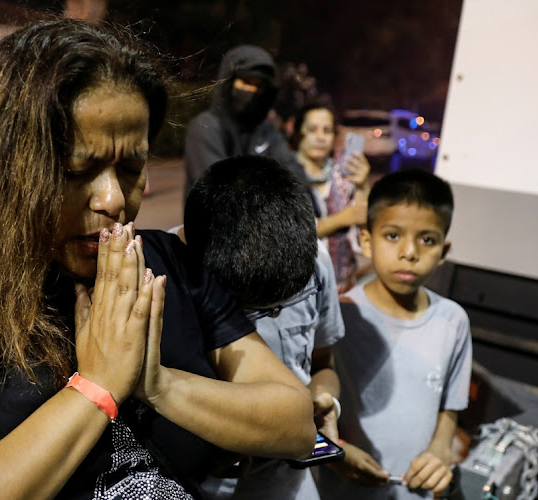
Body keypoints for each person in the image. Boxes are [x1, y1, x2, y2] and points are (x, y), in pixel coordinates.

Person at [0, 19, 317, 500]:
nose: (113, 199)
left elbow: (294, 420)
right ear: (3, 168)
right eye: (78, 170)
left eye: (133, 168)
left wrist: (158, 385)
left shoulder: (166, 263)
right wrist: (97, 387)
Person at [180, 155, 345, 500]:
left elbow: (324, 364)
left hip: (288, 484)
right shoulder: (167, 279)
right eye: (249, 312)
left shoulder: (315, 264)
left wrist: (323, 399)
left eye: (285, 303)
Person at [318, 169, 473, 499]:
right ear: (365, 241)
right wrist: (334, 454)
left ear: (443, 252)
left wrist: (441, 450)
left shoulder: (453, 321)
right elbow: (305, 410)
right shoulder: (339, 314)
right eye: (392, 236)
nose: (410, 252)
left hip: (412, 491)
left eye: (427, 240)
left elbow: (450, 405)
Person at [184, 44, 306, 201]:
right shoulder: (205, 127)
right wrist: (272, 183)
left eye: (259, 85)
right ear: (228, 81)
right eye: (246, 81)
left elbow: (297, 177)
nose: (252, 90)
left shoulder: (267, 131)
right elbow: (219, 189)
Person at [291, 103, 372, 293]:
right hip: (297, 293)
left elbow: (362, 231)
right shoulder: (285, 174)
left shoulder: (343, 175)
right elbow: (293, 233)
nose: (320, 137)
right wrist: (343, 218)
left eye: (327, 130)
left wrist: (362, 185)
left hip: (341, 288)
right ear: (298, 133)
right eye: (312, 130)